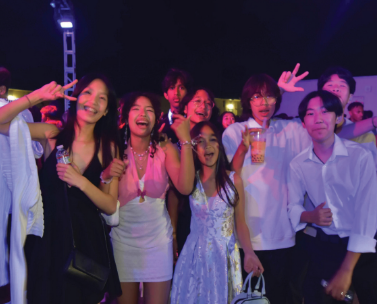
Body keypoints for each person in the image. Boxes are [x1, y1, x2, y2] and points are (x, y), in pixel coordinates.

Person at [222, 63, 377, 303]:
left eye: (270, 97)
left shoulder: (290, 130)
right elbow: (233, 176)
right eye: (256, 97)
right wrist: (245, 144)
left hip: (287, 237)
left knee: (287, 296)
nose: (264, 102)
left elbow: (325, 130)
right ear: (246, 100)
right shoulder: (235, 132)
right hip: (250, 237)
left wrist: (373, 122)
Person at [0, 74, 123, 303]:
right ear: (75, 98)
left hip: (87, 241)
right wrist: (36, 97)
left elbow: (109, 206)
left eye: (102, 98)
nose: (93, 101)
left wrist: (81, 181)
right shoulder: (51, 134)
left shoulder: (108, 147)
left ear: (106, 110)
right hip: (49, 240)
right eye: (87, 92)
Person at [103, 91, 195, 304]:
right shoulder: (114, 150)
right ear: (125, 117)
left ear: (156, 118)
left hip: (158, 244)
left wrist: (186, 141)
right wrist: (106, 175)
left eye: (149, 110)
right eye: (136, 109)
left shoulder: (166, 149)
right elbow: (103, 199)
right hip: (123, 242)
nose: (142, 114)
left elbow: (185, 187)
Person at [287, 90, 377, 303]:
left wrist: (347, 269)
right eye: (310, 113)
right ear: (303, 123)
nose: (318, 119)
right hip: (324, 249)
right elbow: (292, 206)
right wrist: (310, 217)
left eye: (325, 111)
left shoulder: (360, 156)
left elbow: (368, 213)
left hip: (362, 251)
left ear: (338, 118)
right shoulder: (298, 164)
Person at [170, 121, 263, 304]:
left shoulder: (233, 180)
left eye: (212, 139)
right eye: (201, 141)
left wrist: (250, 253)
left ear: (219, 145)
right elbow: (174, 197)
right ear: (194, 148)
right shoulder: (190, 180)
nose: (207, 146)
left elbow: (240, 222)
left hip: (225, 256)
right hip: (194, 255)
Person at [166, 87, 219, 262]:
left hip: (212, 218)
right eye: (197, 101)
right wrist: (173, 233)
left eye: (208, 103)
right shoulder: (171, 140)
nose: (203, 106)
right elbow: (173, 193)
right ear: (185, 108)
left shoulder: (217, 140)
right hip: (184, 218)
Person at [318, 66, 377, 165]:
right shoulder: (303, 127)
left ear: (350, 97)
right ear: (319, 94)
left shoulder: (365, 135)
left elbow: (369, 173)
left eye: (342, 85)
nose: (336, 89)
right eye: (330, 84)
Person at [159, 68, 193, 143]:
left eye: (181, 88)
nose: (176, 93)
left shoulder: (193, 121)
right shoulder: (159, 123)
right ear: (165, 95)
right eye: (172, 88)